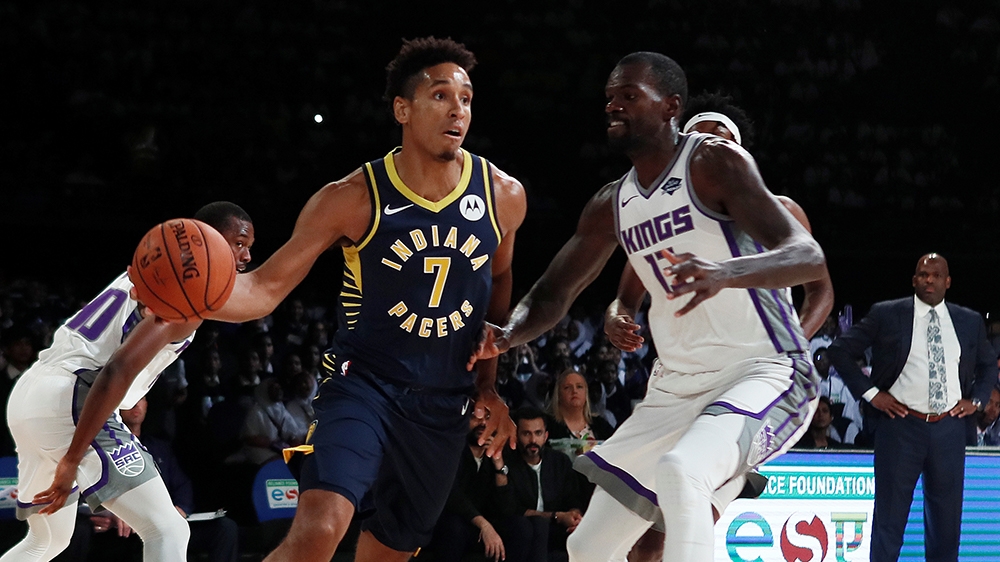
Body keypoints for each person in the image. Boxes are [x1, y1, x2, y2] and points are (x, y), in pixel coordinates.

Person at [470, 52, 825, 562]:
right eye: (610, 96)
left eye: (629, 95)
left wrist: (725, 274)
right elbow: (553, 292)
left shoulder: (715, 163)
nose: (614, 105)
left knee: (685, 472)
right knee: (588, 546)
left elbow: (808, 257)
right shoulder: (613, 203)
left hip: (763, 370)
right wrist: (506, 334)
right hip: (676, 386)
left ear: (670, 107)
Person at [207, 37, 526, 562]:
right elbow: (262, 289)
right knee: (317, 531)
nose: (458, 110)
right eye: (441, 95)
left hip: (445, 401)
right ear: (403, 108)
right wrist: (192, 299)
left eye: (466, 98)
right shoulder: (351, 197)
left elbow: (501, 279)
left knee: (389, 554)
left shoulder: (502, 194)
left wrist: (488, 388)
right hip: (364, 385)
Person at [2, 201, 255, 562]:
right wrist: (73, 459)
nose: (245, 257)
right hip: (73, 396)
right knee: (168, 529)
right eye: (240, 244)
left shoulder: (151, 269)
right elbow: (114, 373)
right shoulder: (182, 294)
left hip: (30, 395)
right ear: (206, 241)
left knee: (45, 542)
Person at [828, 253, 996, 562]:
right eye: (922, 274)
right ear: (914, 280)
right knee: (889, 523)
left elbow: (988, 366)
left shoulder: (969, 321)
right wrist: (871, 394)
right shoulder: (887, 314)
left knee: (946, 526)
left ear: (948, 282)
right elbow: (839, 351)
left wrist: (977, 401)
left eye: (935, 275)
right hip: (900, 427)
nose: (928, 279)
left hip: (949, 430)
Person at [497, 407, 584, 562]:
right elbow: (510, 509)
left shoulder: (559, 462)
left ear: (546, 436)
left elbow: (573, 498)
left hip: (555, 530)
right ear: (516, 436)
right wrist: (556, 516)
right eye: (526, 434)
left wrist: (574, 518)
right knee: (537, 525)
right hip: (520, 530)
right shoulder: (507, 462)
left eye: (538, 433)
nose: (533, 441)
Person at [427, 409, 507, 562]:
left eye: (488, 418)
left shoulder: (497, 454)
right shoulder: (452, 449)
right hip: (448, 522)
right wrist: (483, 524)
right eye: (476, 418)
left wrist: (499, 464)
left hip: (479, 524)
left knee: (519, 528)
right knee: (455, 528)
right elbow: (452, 495)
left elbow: (506, 507)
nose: (483, 423)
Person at [547, 369, 614, 443]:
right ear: (559, 395)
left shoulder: (600, 424)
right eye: (567, 387)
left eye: (579, 387)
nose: (574, 391)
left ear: (586, 394)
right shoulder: (548, 425)